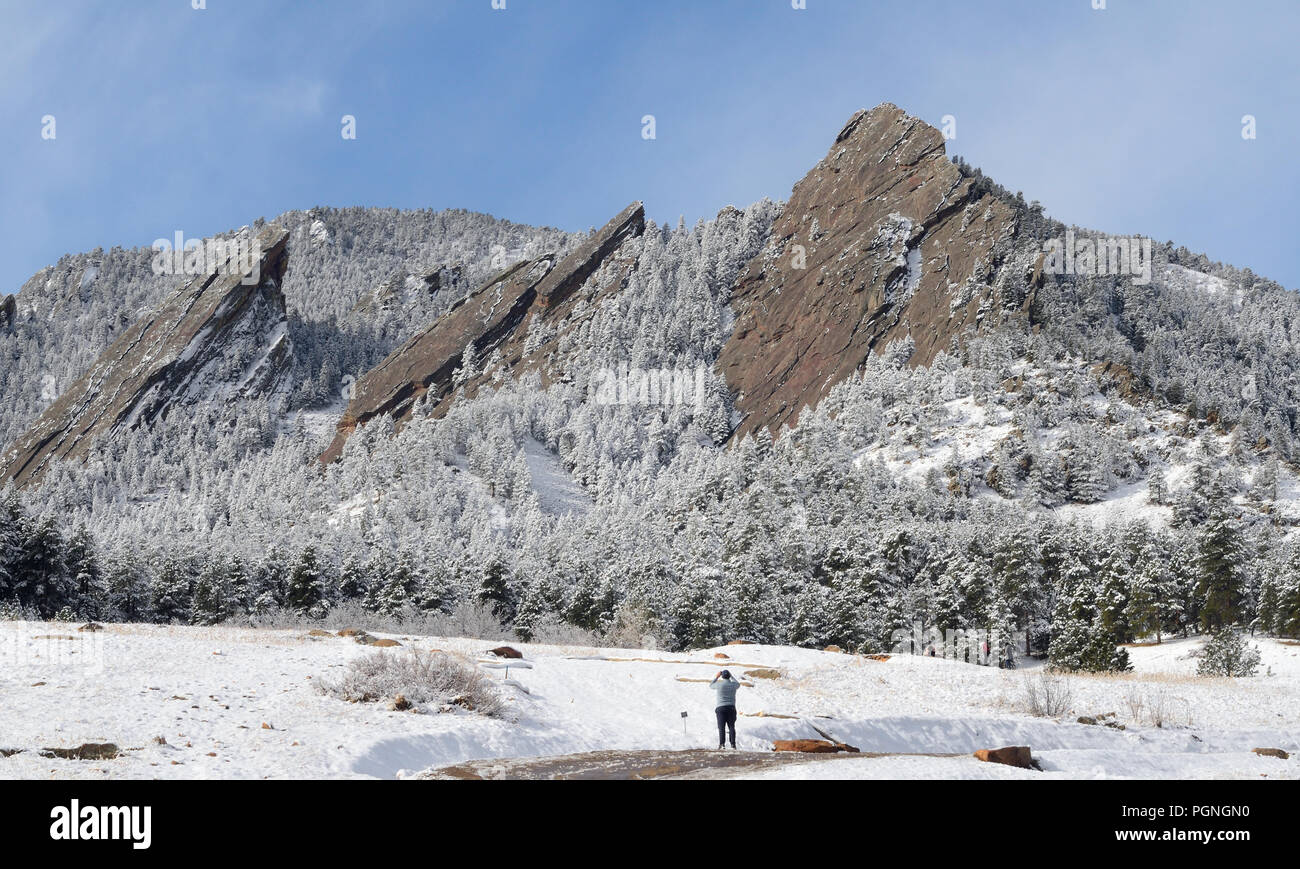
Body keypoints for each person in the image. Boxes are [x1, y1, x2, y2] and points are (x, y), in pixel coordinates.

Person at [709, 669, 741, 749]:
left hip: (721, 708)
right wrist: (732, 676)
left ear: (722, 676)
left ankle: (722, 744)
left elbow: (711, 685)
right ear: (729, 676)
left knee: (721, 727)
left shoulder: (719, 684)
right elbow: (738, 684)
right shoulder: (733, 685)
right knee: (731, 727)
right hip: (731, 708)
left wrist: (717, 676)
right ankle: (733, 744)